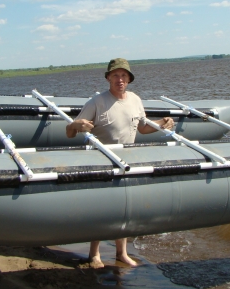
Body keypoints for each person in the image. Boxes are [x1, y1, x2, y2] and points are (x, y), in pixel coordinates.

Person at [66, 58, 174, 268]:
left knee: (125, 209)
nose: (120, 79)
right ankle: (94, 254)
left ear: (129, 79)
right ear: (108, 78)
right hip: (101, 162)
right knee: (101, 209)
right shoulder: (96, 102)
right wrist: (75, 125)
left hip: (127, 161)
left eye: (124, 75)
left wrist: (162, 123)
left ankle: (121, 253)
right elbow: (69, 133)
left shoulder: (135, 100)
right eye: (115, 75)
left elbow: (143, 128)